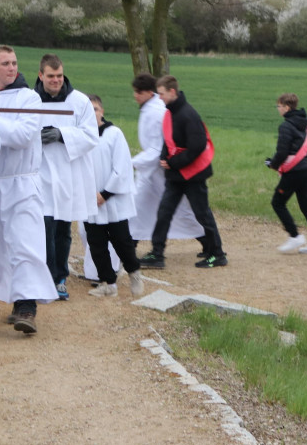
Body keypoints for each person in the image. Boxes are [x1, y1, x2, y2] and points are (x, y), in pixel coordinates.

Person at [0, 45, 58, 334]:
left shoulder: (29, 98)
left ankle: (27, 307)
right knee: (1, 247)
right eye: (5, 63)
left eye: (14, 62)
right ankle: (14, 296)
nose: (12, 68)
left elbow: (22, 136)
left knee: (25, 243)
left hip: (22, 182)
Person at [140, 75, 227, 269]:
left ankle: (217, 254)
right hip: (176, 176)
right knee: (164, 212)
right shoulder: (170, 113)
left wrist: (173, 162)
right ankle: (157, 254)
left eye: (161, 94)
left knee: (202, 214)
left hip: (193, 176)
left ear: (172, 92)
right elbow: (167, 139)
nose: (159, 98)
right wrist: (164, 156)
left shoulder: (189, 115)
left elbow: (198, 146)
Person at [35, 54, 99, 299]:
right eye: (51, 76)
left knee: (62, 229)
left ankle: (60, 277)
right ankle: (45, 277)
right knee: (44, 227)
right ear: (41, 75)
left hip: (68, 174)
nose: (56, 80)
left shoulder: (79, 101)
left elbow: (91, 136)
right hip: (41, 173)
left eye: (59, 75)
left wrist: (61, 134)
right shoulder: (30, 100)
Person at [129, 73, 204, 249]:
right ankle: (132, 245)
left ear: (149, 93)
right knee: (139, 207)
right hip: (151, 171)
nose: (135, 95)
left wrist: (132, 163)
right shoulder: (150, 108)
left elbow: (157, 148)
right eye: (135, 91)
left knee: (178, 211)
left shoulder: (155, 112)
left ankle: (209, 242)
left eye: (139, 92)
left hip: (161, 170)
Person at [82, 94, 144, 298]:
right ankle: (108, 283)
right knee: (96, 244)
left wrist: (105, 193)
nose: (92, 113)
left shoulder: (114, 134)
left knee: (121, 241)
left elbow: (122, 167)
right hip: (90, 199)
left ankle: (134, 272)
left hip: (113, 199)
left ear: (102, 111)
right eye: (87, 110)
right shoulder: (81, 137)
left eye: (95, 109)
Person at [268, 92, 307, 255]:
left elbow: (282, 152)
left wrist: (273, 164)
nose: (278, 109)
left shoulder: (286, 126)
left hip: (294, 171)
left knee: (278, 202)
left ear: (286, 107)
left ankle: (294, 235)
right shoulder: (304, 124)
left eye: (279, 106)